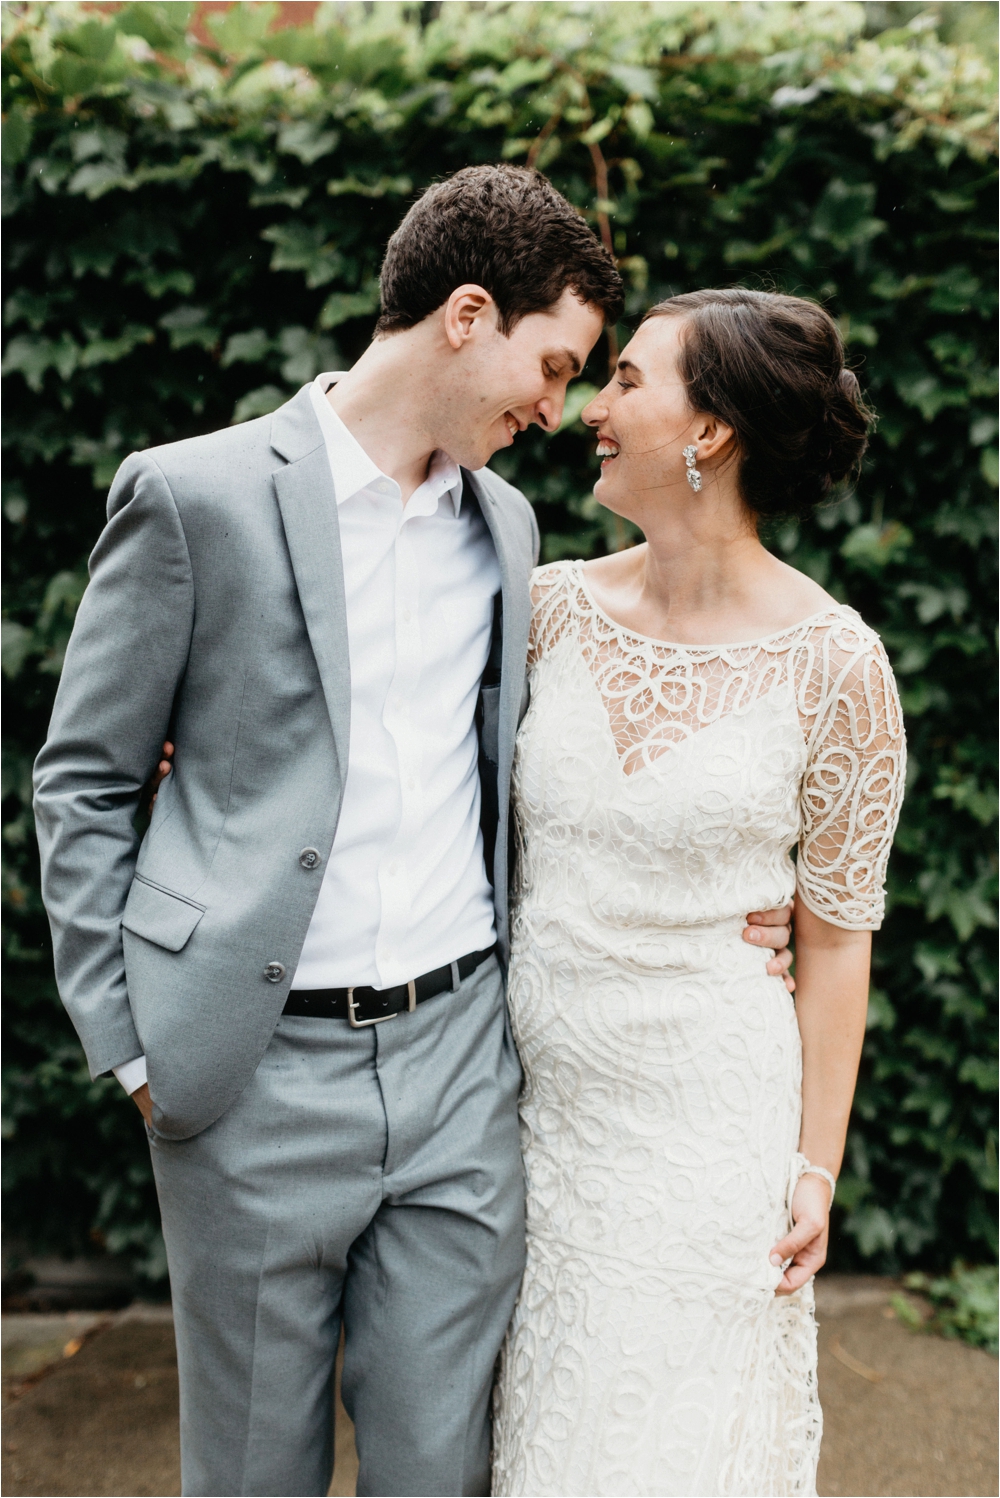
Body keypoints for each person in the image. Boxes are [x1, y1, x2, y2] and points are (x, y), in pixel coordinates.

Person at [33, 168, 794, 1498]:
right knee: (254, 1471)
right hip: (250, 1070)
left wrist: (714, 897)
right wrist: (132, 1043)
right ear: (467, 315)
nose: (558, 409)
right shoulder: (192, 498)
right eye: (552, 364)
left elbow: (549, 769)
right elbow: (86, 781)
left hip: (458, 1072)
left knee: (442, 1469)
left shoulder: (508, 528)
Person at [491, 289, 906, 1498]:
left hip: (707, 1131)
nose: (591, 411)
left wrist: (812, 1168)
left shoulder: (836, 663)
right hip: (534, 1125)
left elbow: (836, 937)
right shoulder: (547, 609)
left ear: (710, 431)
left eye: (625, 380)